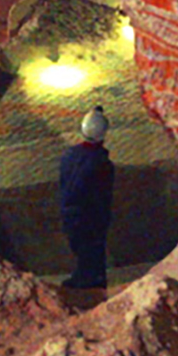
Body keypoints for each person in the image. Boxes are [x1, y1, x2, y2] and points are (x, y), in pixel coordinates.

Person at [58, 105, 115, 289]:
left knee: (82, 252)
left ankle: (82, 278)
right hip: (90, 217)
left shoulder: (69, 156)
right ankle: (93, 284)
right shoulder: (102, 163)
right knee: (93, 252)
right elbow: (103, 197)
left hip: (69, 214)